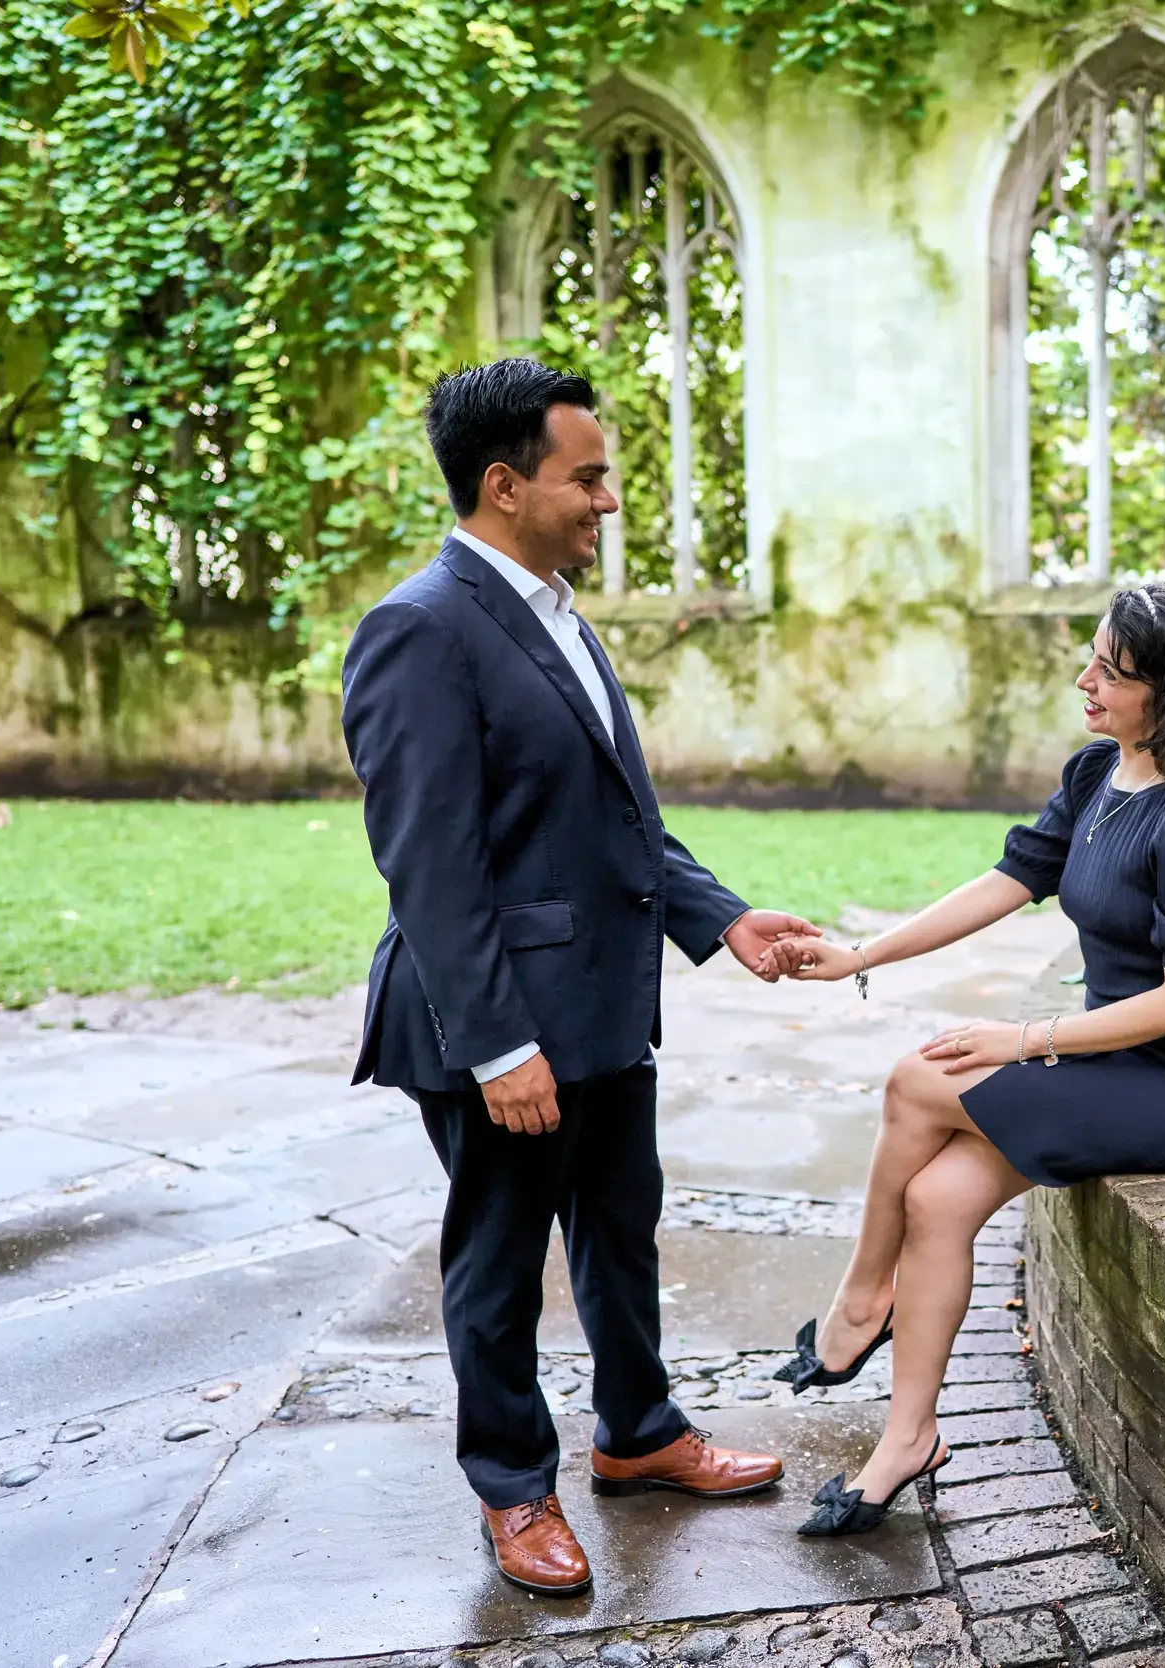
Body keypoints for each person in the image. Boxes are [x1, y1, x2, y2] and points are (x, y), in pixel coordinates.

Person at [340, 356, 818, 1597]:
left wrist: (720, 921)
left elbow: (610, 819)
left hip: (605, 1010)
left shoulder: (554, 610)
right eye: (587, 477)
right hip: (494, 1024)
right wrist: (498, 1046)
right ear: (503, 486)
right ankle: (511, 1488)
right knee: (497, 1266)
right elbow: (430, 867)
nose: (607, 501)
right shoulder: (419, 628)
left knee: (620, 1232)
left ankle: (641, 1434)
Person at [766, 582, 1165, 1536]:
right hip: (1112, 1065)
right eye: (1089, 658)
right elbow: (1005, 882)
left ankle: (859, 1301)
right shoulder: (1097, 777)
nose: (1085, 682)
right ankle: (908, 1437)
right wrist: (859, 956)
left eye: (1110, 673)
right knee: (937, 1198)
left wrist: (1022, 1040)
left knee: (920, 1078)